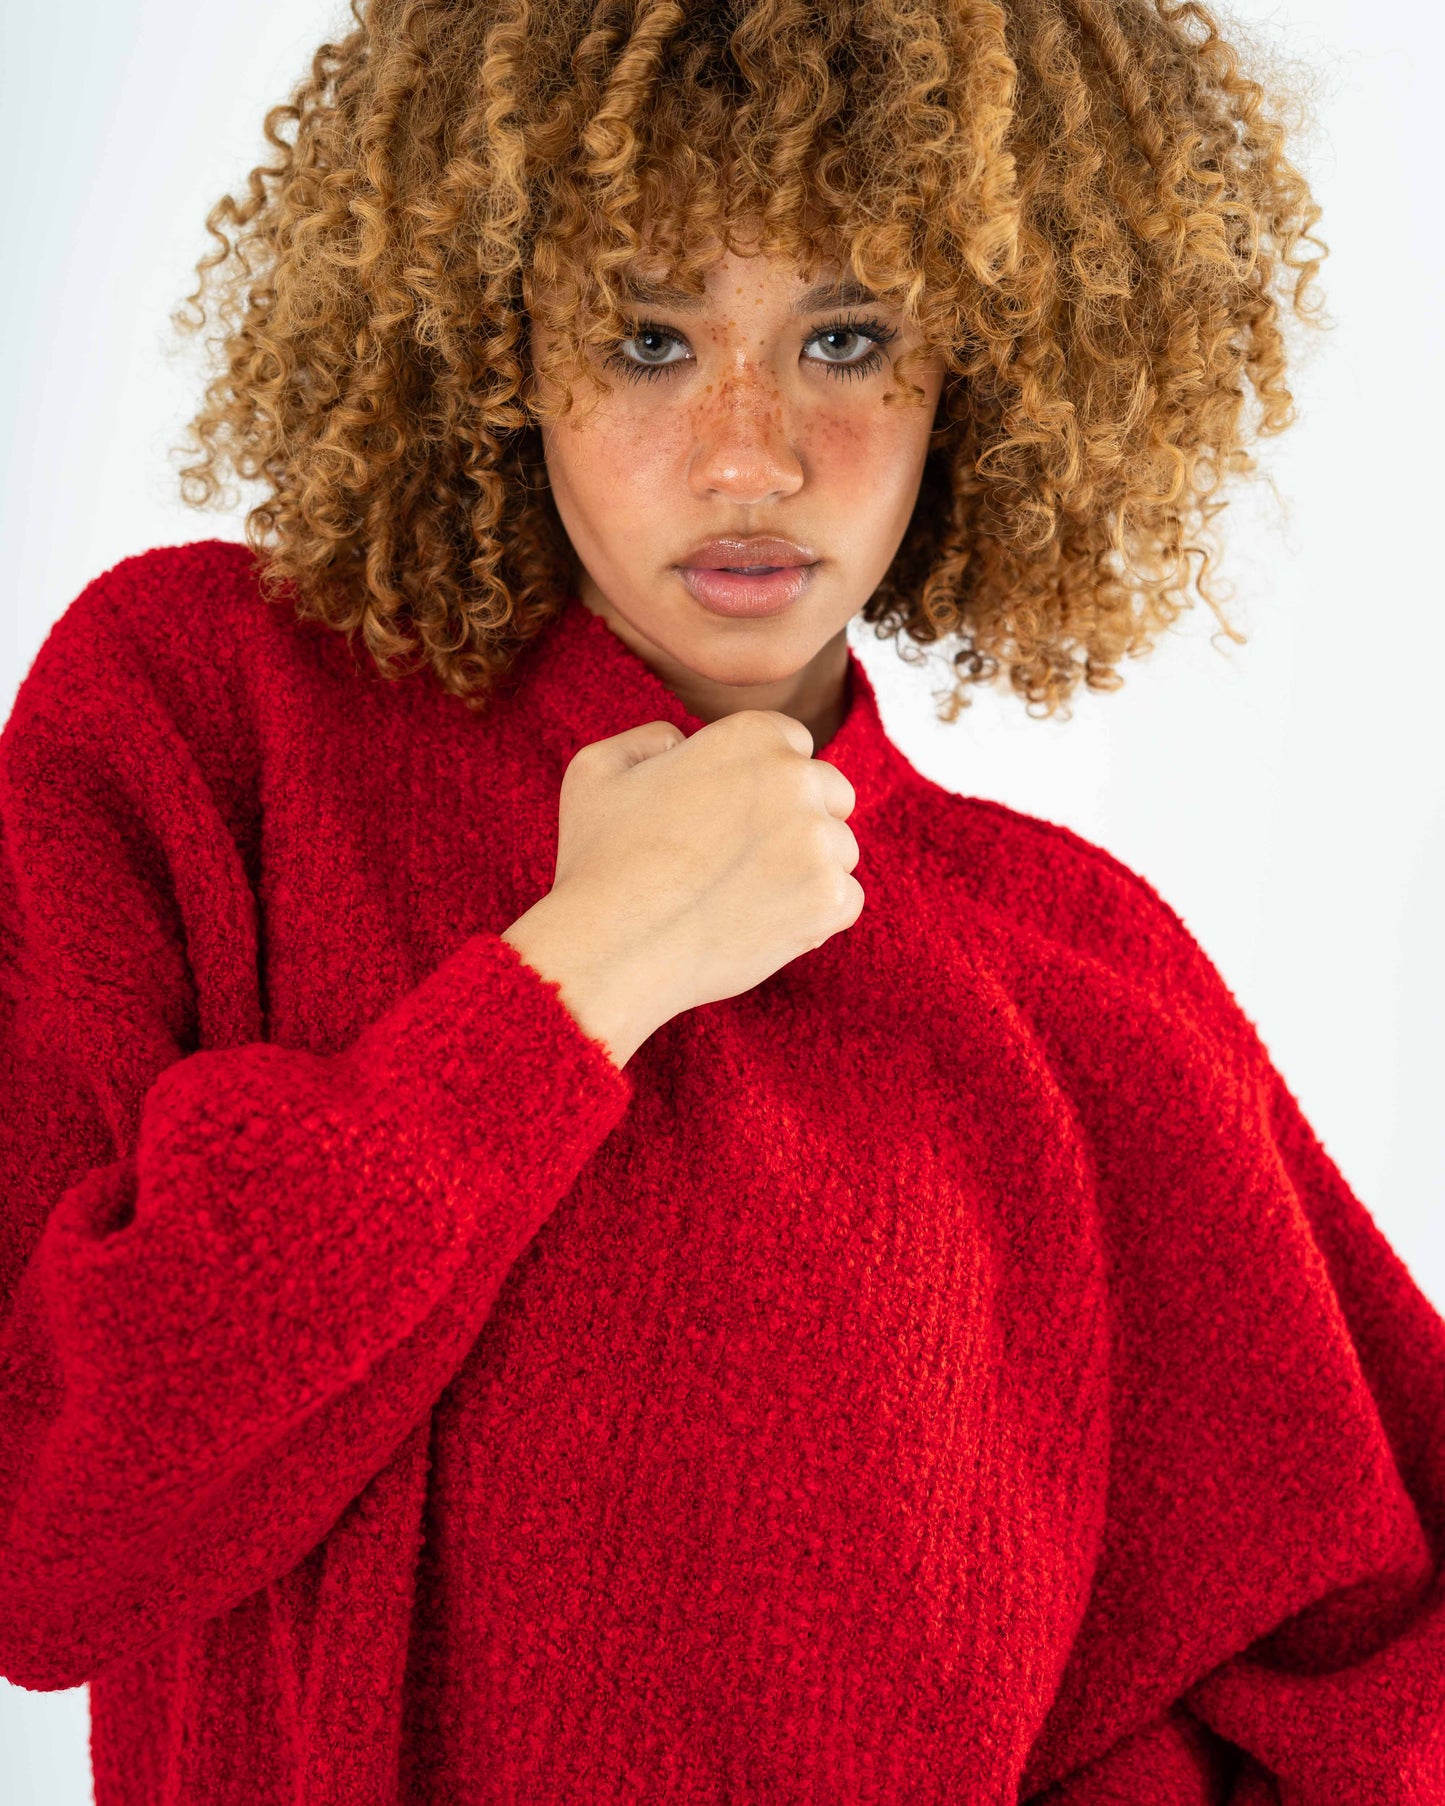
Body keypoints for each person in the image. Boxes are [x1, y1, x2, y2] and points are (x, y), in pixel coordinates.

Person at [2, 1, 1442, 1801]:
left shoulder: (1080, 979)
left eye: (845, 337)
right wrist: (577, 976)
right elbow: (43, 1532)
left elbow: (1376, 1676)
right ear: (495, 340)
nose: (749, 455)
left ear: (985, 361)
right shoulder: (210, 720)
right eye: (647, 337)